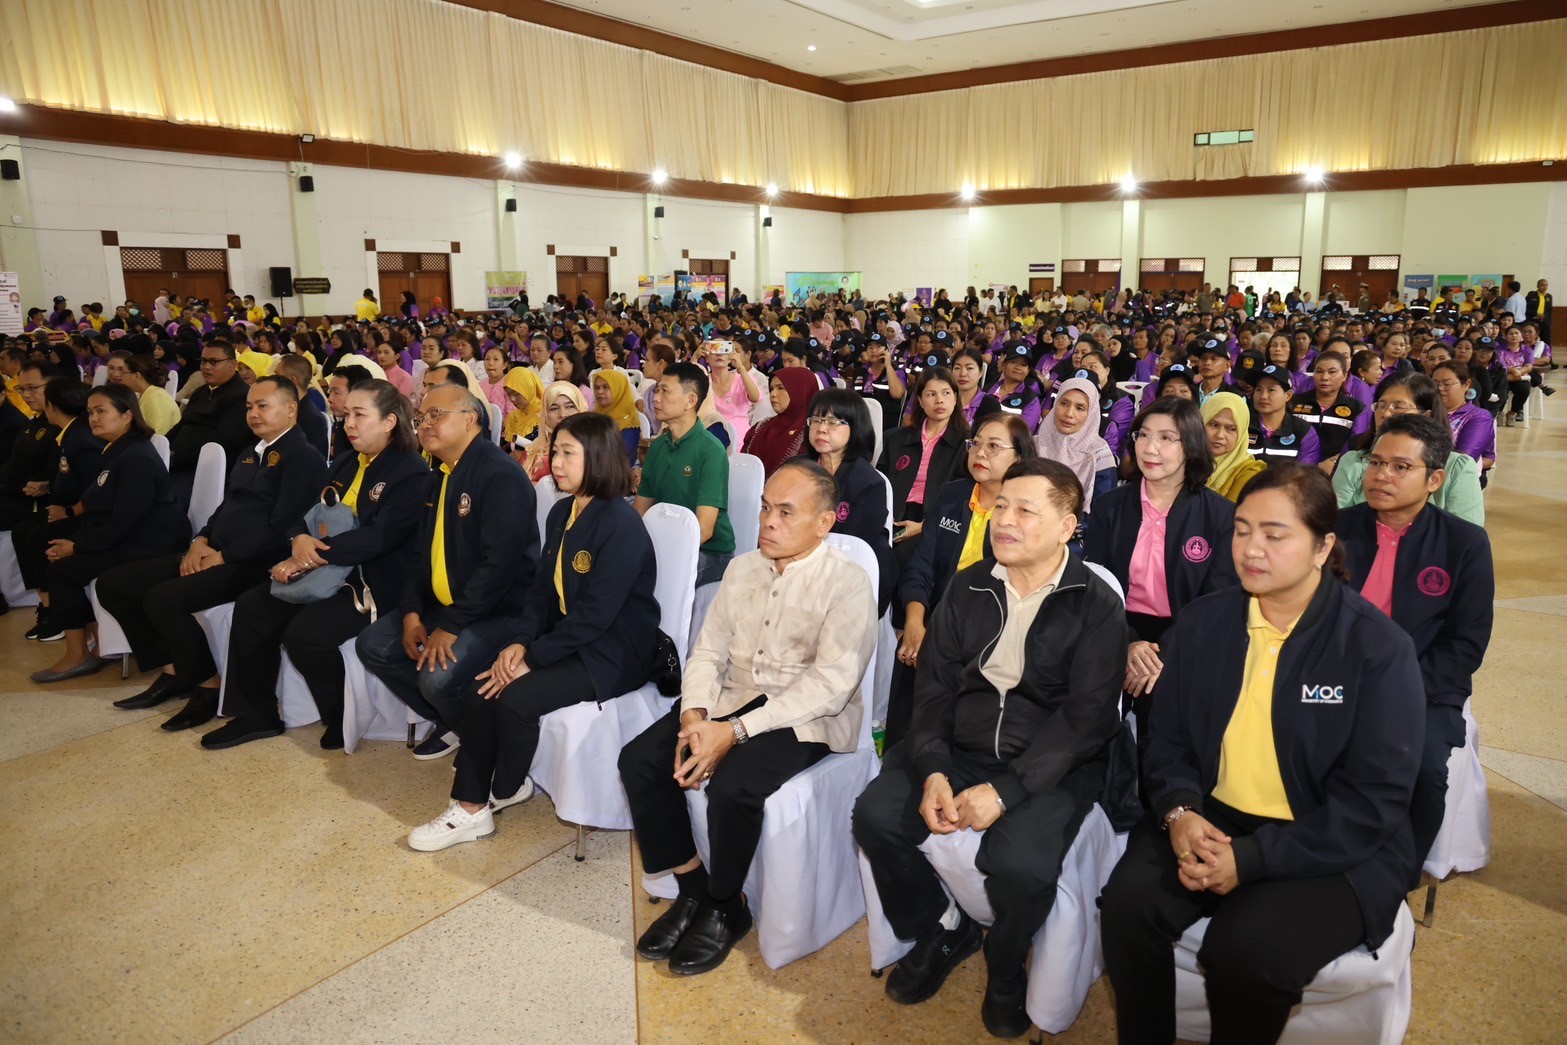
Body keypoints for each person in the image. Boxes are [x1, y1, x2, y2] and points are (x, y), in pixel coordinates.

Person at [1100, 466, 1425, 1045]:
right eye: (1243, 530)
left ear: (1323, 547)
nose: (1251, 549)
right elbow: (1167, 740)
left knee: (1245, 953)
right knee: (1128, 908)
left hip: (1327, 840)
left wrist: (1250, 860)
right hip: (1212, 816)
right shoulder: (1204, 622)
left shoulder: (1375, 648)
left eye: (1275, 535)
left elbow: (1373, 801)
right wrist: (1179, 812)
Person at [855, 458, 1128, 1038]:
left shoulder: (1095, 602)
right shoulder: (970, 584)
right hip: (960, 745)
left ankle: (1005, 969)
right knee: (874, 816)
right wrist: (933, 769)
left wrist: (1006, 792)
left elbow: (1086, 720)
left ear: (1067, 526)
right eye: (1001, 505)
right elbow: (934, 690)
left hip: (1049, 763)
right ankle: (940, 929)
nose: (1004, 519)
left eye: (1025, 510)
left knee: (1020, 865)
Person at [619, 460, 876, 976]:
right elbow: (708, 652)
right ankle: (692, 888)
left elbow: (830, 687)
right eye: (764, 508)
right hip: (732, 698)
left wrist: (733, 733)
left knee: (733, 786)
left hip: (807, 716)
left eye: (786, 512)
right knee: (641, 759)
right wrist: (694, 714)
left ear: (824, 522)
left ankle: (725, 904)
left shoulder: (847, 584)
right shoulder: (742, 569)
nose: (768, 522)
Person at [409, 412, 660, 850]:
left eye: (568, 454)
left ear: (598, 458)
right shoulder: (563, 511)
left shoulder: (621, 525)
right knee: (480, 690)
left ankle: (502, 788)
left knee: (515, 699)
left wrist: (531, 658)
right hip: (568, 638)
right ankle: (473, 806)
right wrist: (519, 641)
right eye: (555, 451)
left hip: (614, 651)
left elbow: (597, 616)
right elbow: (540, 592)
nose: (555, 462)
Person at [202, 381, 428, 750]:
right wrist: (298, 539)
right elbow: (306, 513)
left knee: (305, 635)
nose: (348, 423)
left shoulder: (410, 471)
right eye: (347, 414)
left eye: (359, 415)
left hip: (369, 581)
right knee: (253, 606)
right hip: (322, 569)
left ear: (389, 422)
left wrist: (311, 554)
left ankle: (340, 716)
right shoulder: (345, 462)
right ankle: (256, 715)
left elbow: (381, 537)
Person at [97, 377, 327, 728]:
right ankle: (176, 669)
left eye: (262, 406)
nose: (253, 413)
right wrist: (201, 540)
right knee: (114, 585)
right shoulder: (252, 451)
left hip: (255, 563)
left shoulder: (303, 458)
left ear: (291, 409)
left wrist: (224, 556)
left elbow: (283, 527)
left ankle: (207, 684)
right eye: (249, 407)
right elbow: (226, 506)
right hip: (217, 550)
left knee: (162, 599)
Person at [1335, 415, 1494, 876]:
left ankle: (1394, 876)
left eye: (1401, 467)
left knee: (1421, 770)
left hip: (1423, 689)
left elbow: (1466, 642)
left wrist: (1397, 689)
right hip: (1334, 676)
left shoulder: (1463, 543)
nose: (1382, 475)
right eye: (1376, 462)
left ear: (1434, 480)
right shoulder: (1336, 529)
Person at [354, 385, 539, 760]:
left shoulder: (500, 476)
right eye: (422, 417)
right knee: (374, 646)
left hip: (499, 610)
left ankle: (488, 749)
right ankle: (457, 723)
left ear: (470, 420)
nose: (425, 424)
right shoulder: (439, 475)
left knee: (436, 679)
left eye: (436, 415)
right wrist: (411, 612)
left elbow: (498, 568)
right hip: (448, 604)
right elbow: (420, 555)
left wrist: (451, 625)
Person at [1083, 399, 1238, 741]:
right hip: (1114, 627)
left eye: (1166, 438)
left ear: (1191, 445)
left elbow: (1216, 602)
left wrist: (1161, 655)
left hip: (1184, 638)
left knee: (1164, 734)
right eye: (1144, 435)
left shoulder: (1220, 516)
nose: (1150, 448)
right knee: (1094, 728)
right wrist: (1128, 644)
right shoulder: (1110, 507)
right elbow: (1095, 586)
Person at [28, 385, 190, 682]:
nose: (93, 418)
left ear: (127, 416)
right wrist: (77, 539)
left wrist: (77, 546)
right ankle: (99, 645)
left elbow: (124, 520)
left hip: (152, 543)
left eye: (101, 411)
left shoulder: (135, 457)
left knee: (63, 571)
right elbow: (100, 505)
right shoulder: (118, 450)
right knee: (57, 558)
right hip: (133, 535)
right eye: (90, 412)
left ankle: (78, 654)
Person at [10, 376, 103, 641]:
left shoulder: (81, 439)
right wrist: (47, 487)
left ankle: (60, 615)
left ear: (51, 405)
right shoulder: (68, 434)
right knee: (23, 531)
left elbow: (95, 489)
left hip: (88, 516)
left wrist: (68, 511)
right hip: (69, 506)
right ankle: (48, 606)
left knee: (37, 537)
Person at [1331, 371, 1484, 525]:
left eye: (1398, 407)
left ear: (1426, 416)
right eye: (1381, 406)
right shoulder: (1354, 461)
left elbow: (1466, 531)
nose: (1385, 414)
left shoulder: (1457, 467)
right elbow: (1336, 523)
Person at [636, 362, 734, 586]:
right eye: (657, 390)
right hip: (665, 543)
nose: (656, 398)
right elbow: (640, 511)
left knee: (661, 577)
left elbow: (704, 530)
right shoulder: (658, 447)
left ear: (690, 400)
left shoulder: (711, 450)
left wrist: (663, 556)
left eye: (665, 391)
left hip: (710, 553)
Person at [802, 388, 896, 614]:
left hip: (847, 579)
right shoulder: (797, 469)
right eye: (816, 420)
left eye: (833, 422)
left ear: (855, 428)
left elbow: (854, 548)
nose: (821, 428)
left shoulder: (868, 482)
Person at [879, 367, 968, 572]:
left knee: (900, 561)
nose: (939, 400)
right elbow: (880, 483)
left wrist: (924, 526)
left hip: (934, 520)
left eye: (946, 393)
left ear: (955, 398)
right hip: (893, 515)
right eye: (931, 394)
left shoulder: (966, 444)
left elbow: (961, 497)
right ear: (919, 400)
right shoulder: (895, 438)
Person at [165, 339, 253, 503]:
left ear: (232, 364)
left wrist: (176, 456)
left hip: (204, 469)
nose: (206, 367)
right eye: (203, 361)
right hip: (178, 460)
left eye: (214, 362)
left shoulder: (241, 396)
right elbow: (182, 425)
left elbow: (224, 441)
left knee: (164, 499)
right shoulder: (201, 392)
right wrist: (162, 447)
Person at [1033, 376, 1116, 520]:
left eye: (1080, 408)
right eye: (1064, 403)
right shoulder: (1034, 444)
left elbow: (1103, 511)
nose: (1069, 414)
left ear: (1091, 414)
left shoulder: (1099, 454)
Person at [1287, 351, 1367, 474]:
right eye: (1319, 371)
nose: (1324, 377)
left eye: (1332, 372)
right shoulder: (1294, 402)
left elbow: (1356, 444)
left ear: (1345, 376)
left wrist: (1333, 461)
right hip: (1295, 470)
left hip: (1338, 471)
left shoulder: (1356, 408)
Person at [740, 367, 820, 477]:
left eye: (781, 388)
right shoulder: (761, 427)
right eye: (771, 389)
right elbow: (743, 463)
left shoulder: (814, 434)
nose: (773, 394)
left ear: (800, 391)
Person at [1247, 364, 1321, 465]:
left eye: (1271, 390)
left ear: (1288, 395)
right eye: (1258, 389)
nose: (1263, 396)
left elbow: (1305, 472)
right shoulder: (1242, 426)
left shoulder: (1304, 431)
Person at [1433, 360, 1496, 476]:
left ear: (1466, 384)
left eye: (1447, 384)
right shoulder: (1425, 411)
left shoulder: (1479, 417)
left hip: (1454, 479)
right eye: (1435, 384)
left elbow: (1461, 461)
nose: (1440, 388)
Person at [1200, 391, 1267, 502]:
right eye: (1214, 425)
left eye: (1231, 429)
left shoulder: (1249, 473)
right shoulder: (1182, 461)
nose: (1220, 435)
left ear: (1242, 433)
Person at [521, 380, 586, 482]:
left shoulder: (593, 449)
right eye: (554, 408)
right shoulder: (533, 452)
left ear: (581, 409)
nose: (563, 414)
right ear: (545, 415)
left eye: (570, 406)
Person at [105, 350, 179, 435]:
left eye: (123, 372)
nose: (118, 375)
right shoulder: (148, 394)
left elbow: (155, 436)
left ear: (137, 376)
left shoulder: (155, 399)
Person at [589, 367, 642, 468]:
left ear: (619, 390)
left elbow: (621, 458)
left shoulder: (628, 423)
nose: (600, 392)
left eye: (606, 387)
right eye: (597, 387)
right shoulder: (594, 416)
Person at [500, 365, 543, 447]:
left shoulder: (544, 417)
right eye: (509, 394)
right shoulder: (512, 417)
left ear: (529, 389)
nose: (512, 399)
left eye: (516, 394)